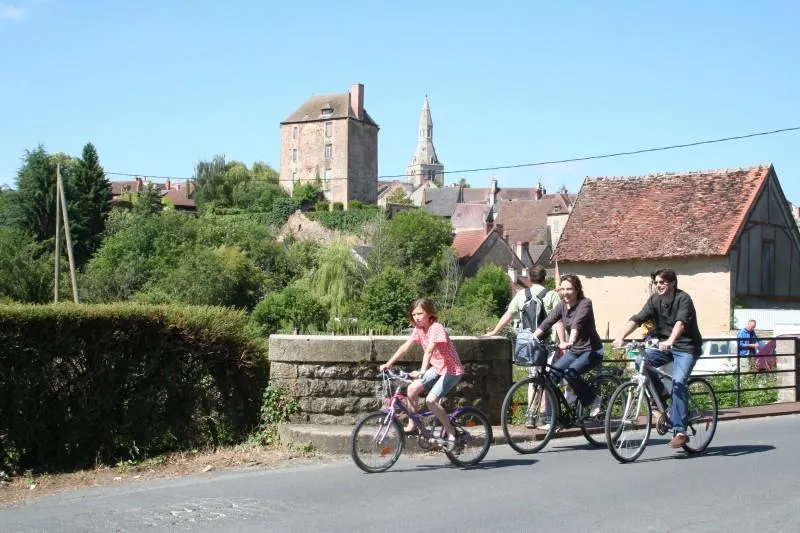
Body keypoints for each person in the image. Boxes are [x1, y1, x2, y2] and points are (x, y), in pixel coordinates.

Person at [613, 268, 703, 449]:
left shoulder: (683, 299)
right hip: (665, 346)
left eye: (662, 282)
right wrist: (620, 336)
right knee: (640, 361)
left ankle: (680, 431)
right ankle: (661, 395)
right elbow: (638, 319)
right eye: (656, 282)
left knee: (678, 381)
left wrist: (670, 340)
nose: (658, 285)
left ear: (672, 283)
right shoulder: (655, 300)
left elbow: (681, 322)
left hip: (686, 347)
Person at [484, 265, 564, 427]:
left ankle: (529, 415)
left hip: (527, 342)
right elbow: (559, 321)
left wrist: (494, 331)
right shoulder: (552, 295)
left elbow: (509, 314)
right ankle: (543, 415)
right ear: (545, 278)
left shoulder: (521, 294)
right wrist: (562, 343)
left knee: (532, 377)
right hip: (546, 342)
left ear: (530, 279)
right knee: (546, 378)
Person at [379, 299, 464, 452]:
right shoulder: (418, 329)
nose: (417, 317)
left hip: (451, 370)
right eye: (414, 314)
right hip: (438, 368)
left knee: (431, 400)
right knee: (412, 389)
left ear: (429, 313)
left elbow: (429, 351)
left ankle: (452, 433)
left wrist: (423, 370)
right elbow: (405, 347)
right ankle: (413, 426)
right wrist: (388, 364)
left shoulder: (436, 328)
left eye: (420, 313)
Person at [530, 274, 605, 429]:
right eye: (562, 289)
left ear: (577, 289)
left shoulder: (585, 303)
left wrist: (570, 341)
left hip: (592, 351)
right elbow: (548, 321)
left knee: (570, 373)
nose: (565, 292)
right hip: (575, 351)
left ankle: (592, 400)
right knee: (550, 378)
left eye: (569, 289)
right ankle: (552, 420)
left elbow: (577, 323)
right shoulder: (562, 306)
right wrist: (532, 338)